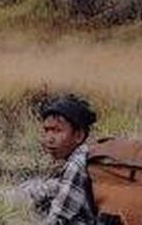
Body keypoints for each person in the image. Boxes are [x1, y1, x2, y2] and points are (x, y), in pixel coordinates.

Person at [23, 94, 98, 225]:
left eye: (57, 131)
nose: (49, 138)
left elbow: (58, 219)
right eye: (47, 130)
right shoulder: (88, 153)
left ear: (79, 136)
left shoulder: (76, 163)